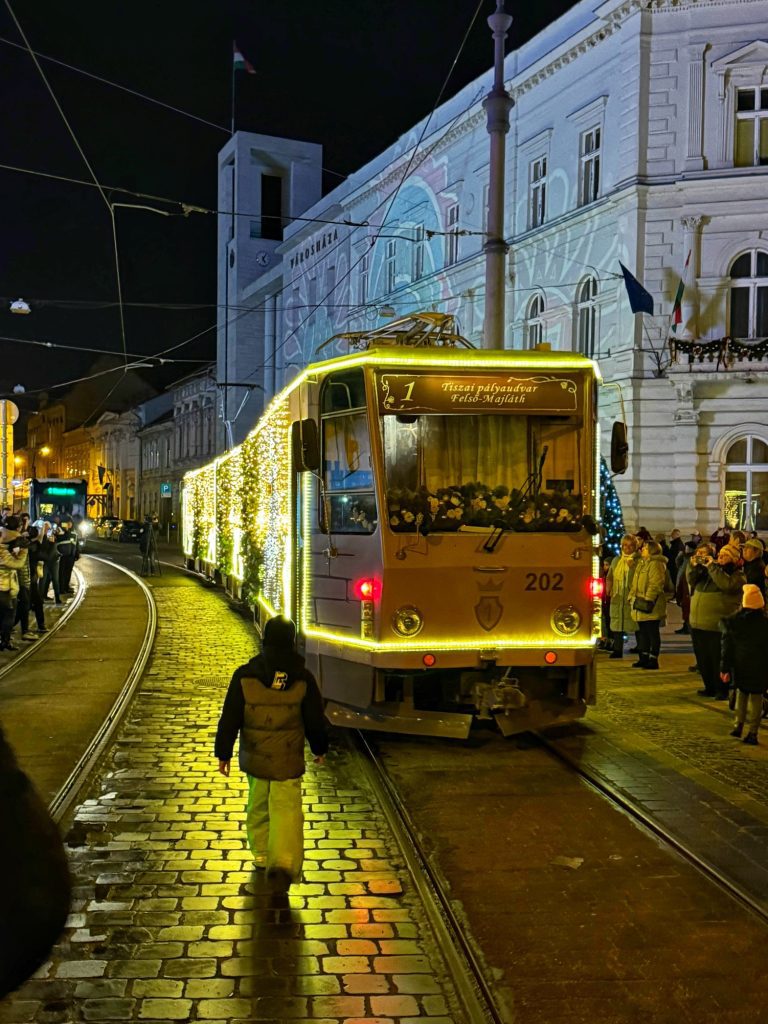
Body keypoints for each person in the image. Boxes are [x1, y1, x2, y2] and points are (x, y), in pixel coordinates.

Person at [214, 616, 328, 891]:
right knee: (286, 809)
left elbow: (230, 716)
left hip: (256, 758)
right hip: (288, 760)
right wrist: (319, 747)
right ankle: (284, 863)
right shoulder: (304, 678)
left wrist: (224, 753)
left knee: (258, 805)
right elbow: (314, 717)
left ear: (265, 641)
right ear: (292, 644)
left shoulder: (245, 676)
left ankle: (262, 854)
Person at [687, 543, 745, 698]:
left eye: (725, 555)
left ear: (733, 558)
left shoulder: (737, 575)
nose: (720, 557)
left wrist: (712, 567)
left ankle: (722, 689)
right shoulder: (709, 572)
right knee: (703, 659)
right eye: (719, 555)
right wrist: (694, 567)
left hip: (717, 625)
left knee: (717, 659)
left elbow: (726, 585)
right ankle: (709, 687)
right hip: (698, 624)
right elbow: (692, 581)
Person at [719, 584, 768, 746]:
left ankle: (738, 725)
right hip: (760, 667)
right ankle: (753, 732)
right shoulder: (764, 624)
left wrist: (725, 668)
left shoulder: (735, 623)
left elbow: (727, 648)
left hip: (741, 664)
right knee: (756, 699)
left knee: (741, 695)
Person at [628, 540, 668, 669]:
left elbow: (656, 583)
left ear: (651, 550)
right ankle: (643, 657)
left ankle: (653, 658)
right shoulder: (642, 563)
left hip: (651, 604)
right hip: (640, 602)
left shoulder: (656, 564)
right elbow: (635, 582)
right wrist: (632, 597)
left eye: (645, 548)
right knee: (643, 632)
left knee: (652, 632)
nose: (642, 550)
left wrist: (648, 599)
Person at [606, 535, 640, 659]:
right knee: (617, 624)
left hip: (631, 596)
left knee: (636, 624)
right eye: (625, 545)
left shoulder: (638, 560)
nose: (627, 548)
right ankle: (617, 649)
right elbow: (610, 576)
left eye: (630, 545)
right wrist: (608, 587)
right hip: (617, 596)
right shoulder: (616, 560)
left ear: (635, 547)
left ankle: (641, 647)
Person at [0, 538, 27, 651]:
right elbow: (18, 564)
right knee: (9, 616)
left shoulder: (5, 551)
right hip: (5, 588)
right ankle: (5, 642)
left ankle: (5, 640)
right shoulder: (2, 551)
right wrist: (24, 551)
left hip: (7, 588)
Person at [56, 518, 78, 594]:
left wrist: (76, 554)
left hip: (70, 555)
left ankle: (66, 587)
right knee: (61, 573)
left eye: (70, 523)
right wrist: (66, 531)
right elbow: (59, 539)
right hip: (62, 555)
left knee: (68, 572)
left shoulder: (74, 533)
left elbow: (76, 543)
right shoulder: (60, 531)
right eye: (67, 523)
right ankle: (61, 588)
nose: (69, 524)